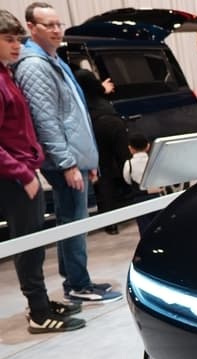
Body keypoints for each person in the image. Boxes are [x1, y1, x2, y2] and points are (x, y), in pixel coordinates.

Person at [13, 2, 121, 304]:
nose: (57, 30)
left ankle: (77, 280)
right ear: (32, 28)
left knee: (74, 220)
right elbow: (45, 120)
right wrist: (67, 163)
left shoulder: (52, 60)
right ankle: (77, 284)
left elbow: (74, 114)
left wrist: (88, 160)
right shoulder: (34, 66)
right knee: (73, 221)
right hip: (63, 161)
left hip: (74, 158)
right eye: (48, 25)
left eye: (58, 24)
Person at [0, 9, 85, 333]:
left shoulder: (7, 74)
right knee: (27, 245)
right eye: (8, 39)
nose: (16, 46)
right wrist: (22, 173)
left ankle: (40, 303)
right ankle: (38, 313)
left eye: (18, 39)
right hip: (13, 178)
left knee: (35, 244)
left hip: (23, 171)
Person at [75, 67, 129, 235]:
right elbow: (100, 89)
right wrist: (103, 87)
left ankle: (110, 224)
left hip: (94, 125)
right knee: (127, 164)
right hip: (111, 120)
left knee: (104, 172)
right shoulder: (85, 75)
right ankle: (142, 207)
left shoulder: (72, 80)